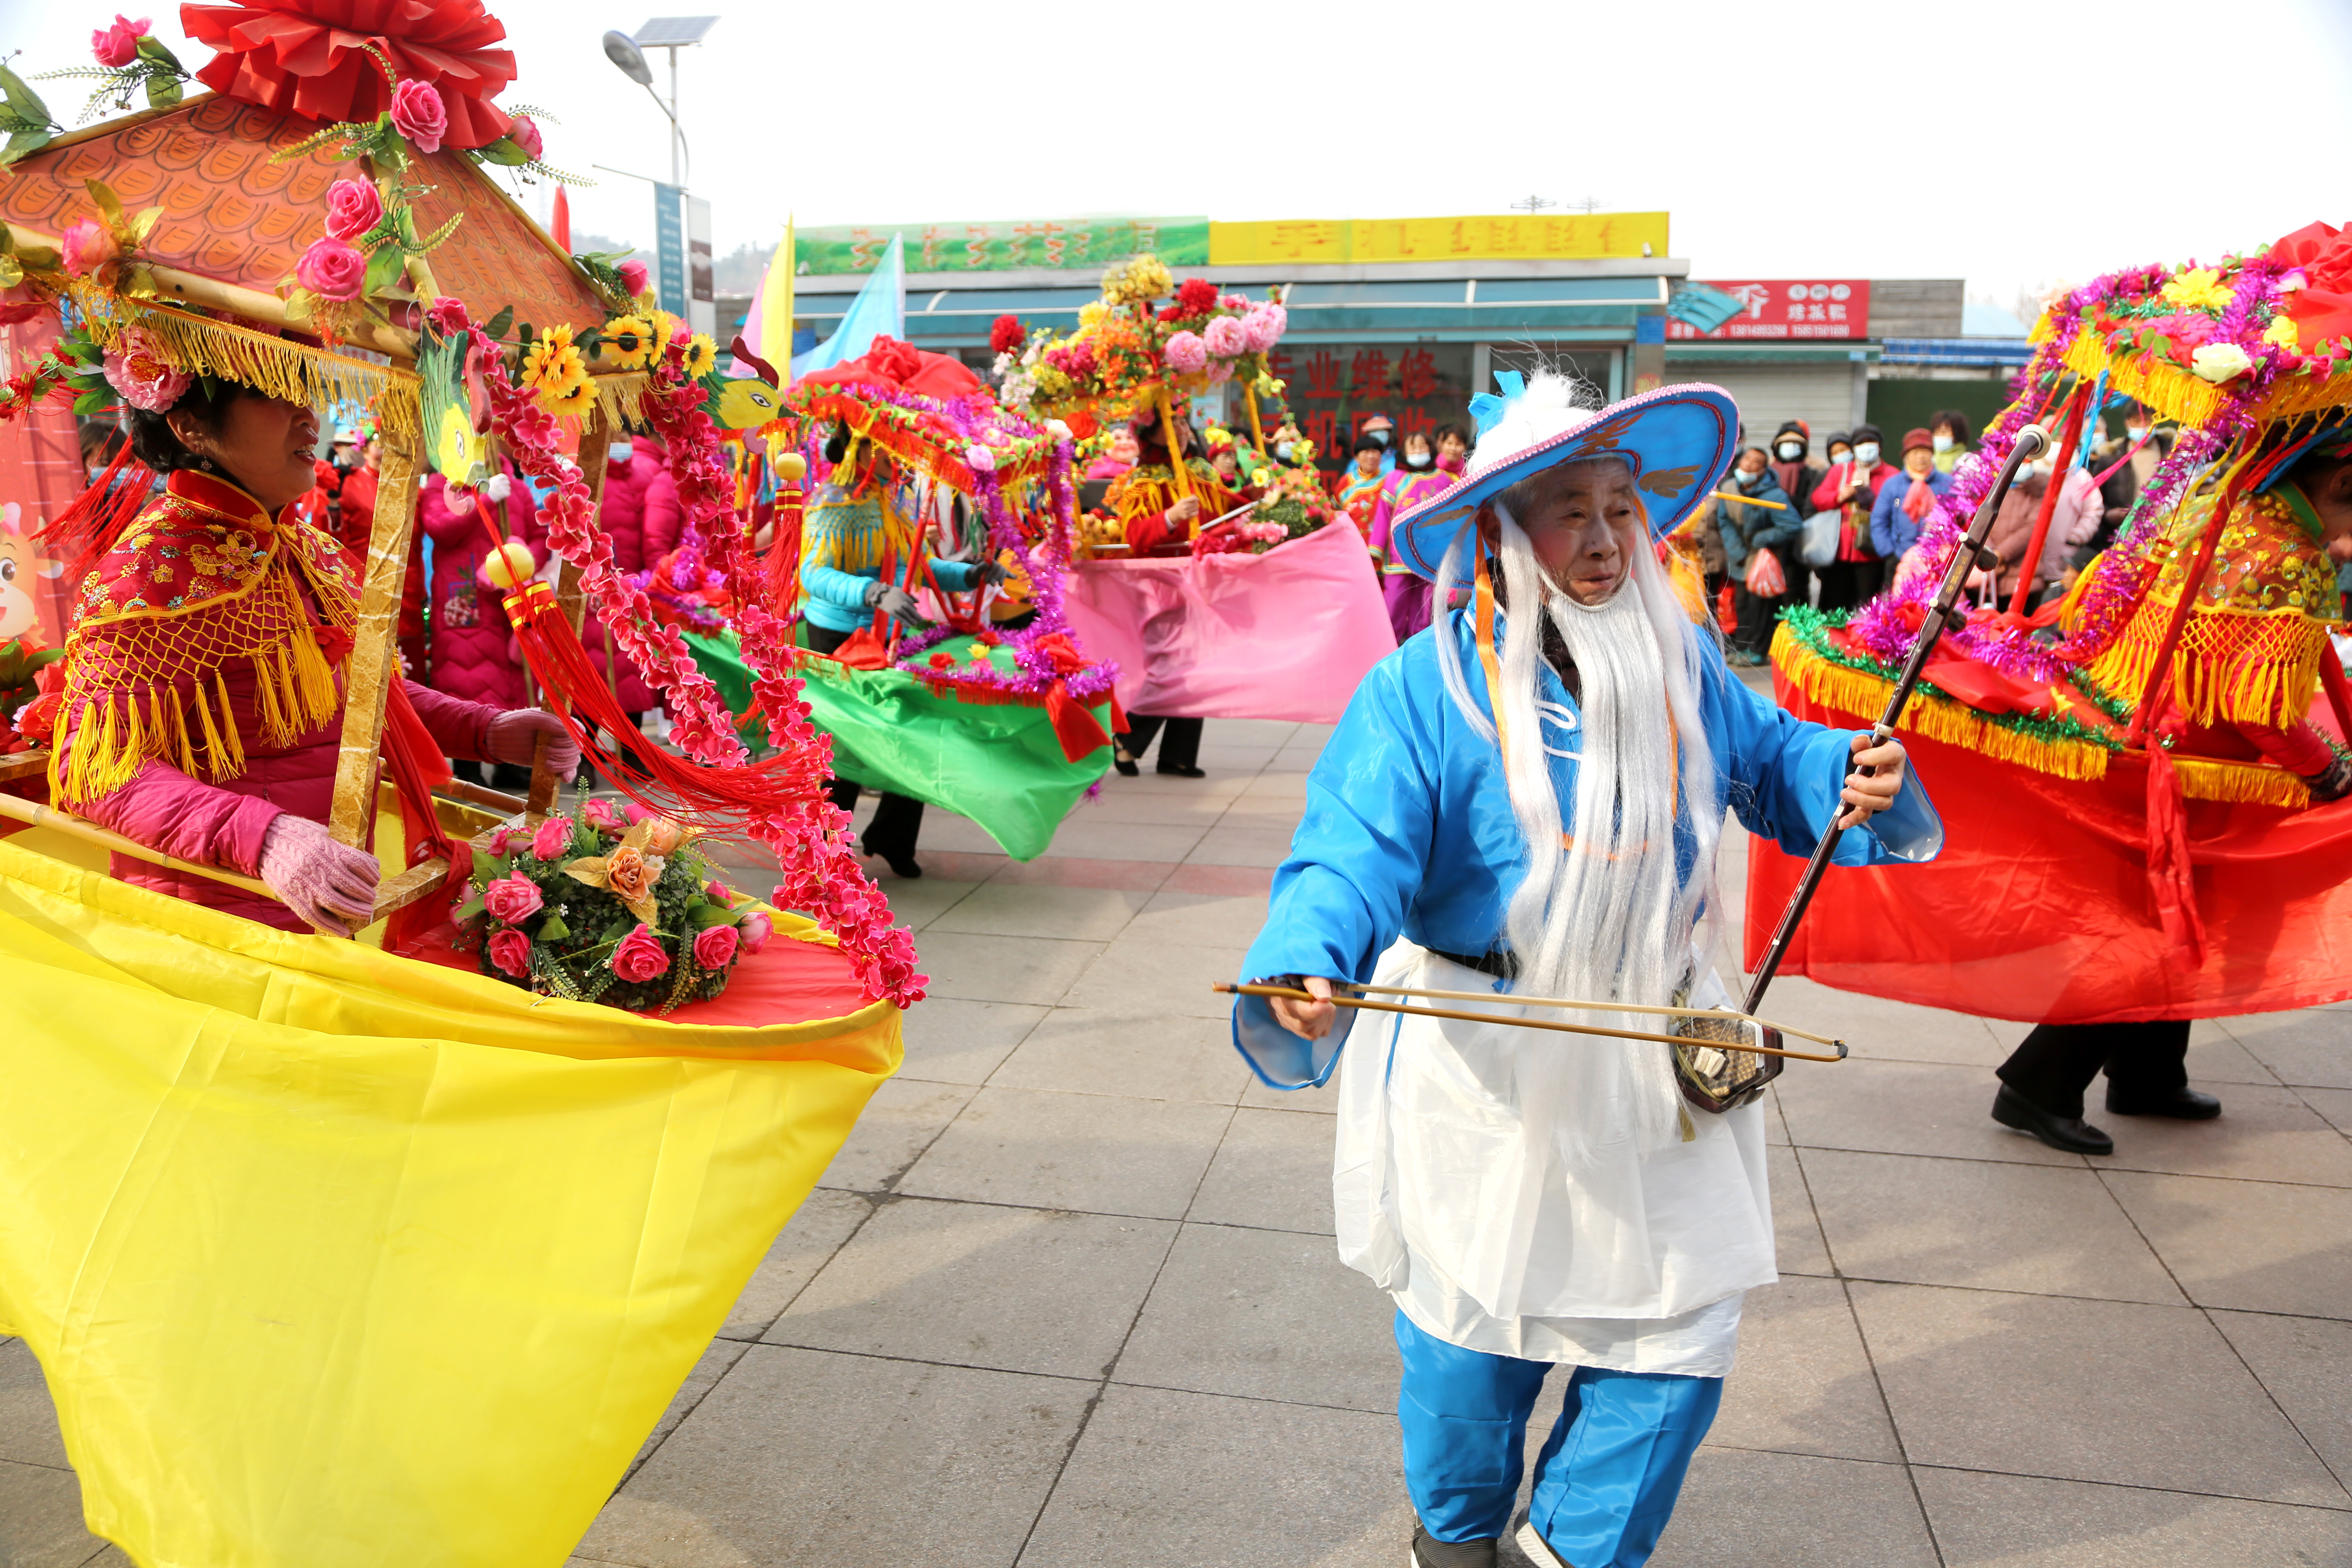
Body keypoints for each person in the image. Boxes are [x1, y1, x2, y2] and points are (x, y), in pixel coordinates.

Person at [1231, 373, 1940, 1568]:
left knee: (1676, 1344)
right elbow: (1351, 850)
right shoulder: (1424, 689)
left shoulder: (1683, 667)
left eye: (1622, 506)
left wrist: (1852, 771)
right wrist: (1312, 954)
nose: (1608, 536)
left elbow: (1775, 763)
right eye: (1571, 509)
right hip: (1484, 1059)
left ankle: (1568, 1552)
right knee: (1474, 1347)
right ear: (1502, 535)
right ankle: (1456, 1544)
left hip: (1658, 1049)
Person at [40, 373, 573, 937]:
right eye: (267, 392)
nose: (307, 414)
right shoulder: (149, 572)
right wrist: (265, 837)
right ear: (191, 426)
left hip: (327, 903)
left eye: (301, 388)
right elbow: (96, 772)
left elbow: (356, 688)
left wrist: (487, 730)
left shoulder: (307, 546)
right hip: (214, 922)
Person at [1992, 430, 2352, 1153]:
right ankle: (2037, 1083)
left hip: (2160, 746)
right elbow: (2261, 711)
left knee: (2178, 921)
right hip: (2188, 773)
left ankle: (2148, 1073)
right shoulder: (2288, 557)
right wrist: (2329, 772)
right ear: (2338, 485)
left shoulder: (2224, 511)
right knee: (2151, 927)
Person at [799, 422, 1000, 874]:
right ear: (861, 450)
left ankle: (892, 837)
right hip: (839, 636)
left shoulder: (897, 498)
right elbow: (813, 574)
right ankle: (826, 847)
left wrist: (969, 575)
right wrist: (872, 593)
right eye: (887, 445)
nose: (900, 454)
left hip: (893, 630)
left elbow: (916, 567)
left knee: (912, 734)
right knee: (846, 743)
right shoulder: (832, 502)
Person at [1105, 406, 1221, 777]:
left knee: (1200, 667)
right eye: (1173, 425)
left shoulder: (1199, 471)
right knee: (1172, 668)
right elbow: (1135, 537)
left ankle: (1179, 755)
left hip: (1199, 581)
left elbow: (1226, 508)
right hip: (1159, 587)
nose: (1183, 430)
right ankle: (1128, 737)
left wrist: (1262, 495)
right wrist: (1172, 517)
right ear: (1150, 433)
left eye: (1185, 423)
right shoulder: (1140, 480)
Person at [419, 457, 543, 793]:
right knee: (465, 676)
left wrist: (520, 559)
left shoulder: (515, 486)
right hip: (464, 596)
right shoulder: (442, 485)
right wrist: (484, 499)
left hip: (507, 598)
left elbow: (536, 537)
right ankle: (467, 765)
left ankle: (512, 763)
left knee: (513, 675)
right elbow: (440, 527)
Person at [1370, 424, 1469, 641]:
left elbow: (1458, 514)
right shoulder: (1395, 478)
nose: (1417, 452)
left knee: (1425, 608)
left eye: (1422, 447)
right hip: (1398, 557)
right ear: (1404, 452)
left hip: (1431, 555)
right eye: (1412, 448)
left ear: (1431, 449)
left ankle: (1420, 646)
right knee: (1393, 603)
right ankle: (1387, 645)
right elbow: (1383, 516)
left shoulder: (1446, 479)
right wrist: (1375, 549)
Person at [1979, 442, 2098, 609]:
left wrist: (2000, 554)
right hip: (1991, 573)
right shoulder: (1992, 488)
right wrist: (1990, 554)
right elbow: (1982, 520)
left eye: (2027, 462)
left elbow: (2032, 528)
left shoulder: (2041, 490)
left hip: (2025, 572)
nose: (2022, 466)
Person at [1712, 447, 1798, 665]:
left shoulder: (1774, 495)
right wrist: (1736, 549)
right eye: (1747, 459)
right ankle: (1743, 647)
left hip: (1763, 559)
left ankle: (1759, 650)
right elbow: (1724, 520)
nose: (1749, 464)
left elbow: (1793, 525)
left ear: (1763, 470)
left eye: (1756, 462)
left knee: (1759, 607)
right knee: (1741, 604)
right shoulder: (1729, 488)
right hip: (1741, 555)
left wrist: (1764, 538)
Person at [1809, 422, 1895, 611]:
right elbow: (1818, 499)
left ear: (1879, 446)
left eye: (1870, 442)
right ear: (1854, 448)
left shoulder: (1891, 475)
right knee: (1833, 604)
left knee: (1865, 605)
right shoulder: (1841, 471)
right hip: (1839, 551)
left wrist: (1872, 505)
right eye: (1860, 443)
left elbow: (1896, 511)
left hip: (1871, 552)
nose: (1866, 447)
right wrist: (1840, 496)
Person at [1870, 428, 1957, 568]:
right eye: (1915, 452)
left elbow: (1958, 520)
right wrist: (1889, 553)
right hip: (1899, 557)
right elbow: (1879, 520)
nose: (1920, 457)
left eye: (1925, 451)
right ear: (1906, 456)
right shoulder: (1893, 484)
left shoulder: (1948, 483)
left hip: (1939, 560)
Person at [1766, 420, 1825, 611]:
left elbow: (1812, 506)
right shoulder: (1767, 473)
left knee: (1796, 591)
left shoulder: (1812, 473)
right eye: (1785, 445)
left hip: (1798, 543)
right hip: (1771, 542)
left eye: (1796, 445)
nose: (1791, 449)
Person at [1334, 433, 1388, 548]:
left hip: (1382, 547)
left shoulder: (1390, 481)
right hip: (1351, 546)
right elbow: (1334, 513)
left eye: (1375, 452)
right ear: (1357, 458)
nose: (1371, 456)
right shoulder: (1346, 482)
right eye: (1366, 452)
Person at [1928, 409, 1974, 474]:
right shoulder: (1930, 460)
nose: (1939, 436)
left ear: (1958, 433)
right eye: (1936, 432)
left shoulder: (1969, 461)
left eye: (1944, 432)